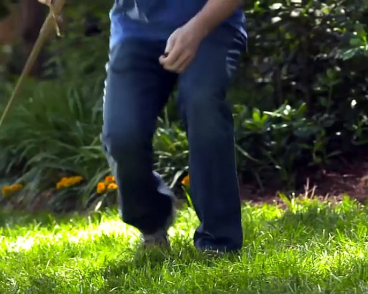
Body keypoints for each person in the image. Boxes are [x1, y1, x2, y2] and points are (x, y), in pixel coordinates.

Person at [39, 0, 247, 253]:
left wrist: (198, 28)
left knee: (203, 105)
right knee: (121, 135)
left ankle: (219, 241)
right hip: (135, 33)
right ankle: (151, 223)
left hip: (213, 27)